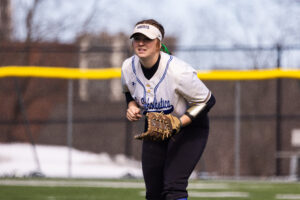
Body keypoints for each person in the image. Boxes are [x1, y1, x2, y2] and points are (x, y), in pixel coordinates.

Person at [121, 19, 216, 200]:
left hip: (189, 128)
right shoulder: (128, 67)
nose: (141, 43)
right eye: (137, 38)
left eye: (147, 39)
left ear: (158, 44)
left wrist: (179, 123)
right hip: (156, 128)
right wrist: (131, 106)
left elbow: (208, 100)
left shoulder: (178, 71)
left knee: (173, 187)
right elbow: (128, 93)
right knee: (153, 193)